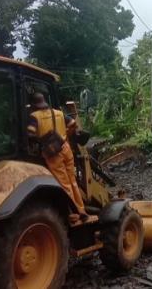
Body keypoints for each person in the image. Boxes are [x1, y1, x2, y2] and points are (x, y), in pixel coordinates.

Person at [27, 93, 89, 221]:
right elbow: (73, 123)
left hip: (52, 152)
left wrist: (41, 141)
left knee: (64, 184)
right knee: (72, 181)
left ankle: (74, 213)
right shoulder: (58, 113)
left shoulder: (34, 117)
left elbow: (30, 133)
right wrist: (65, 134)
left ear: (34, 105)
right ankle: (81, 209)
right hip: (65, 148)